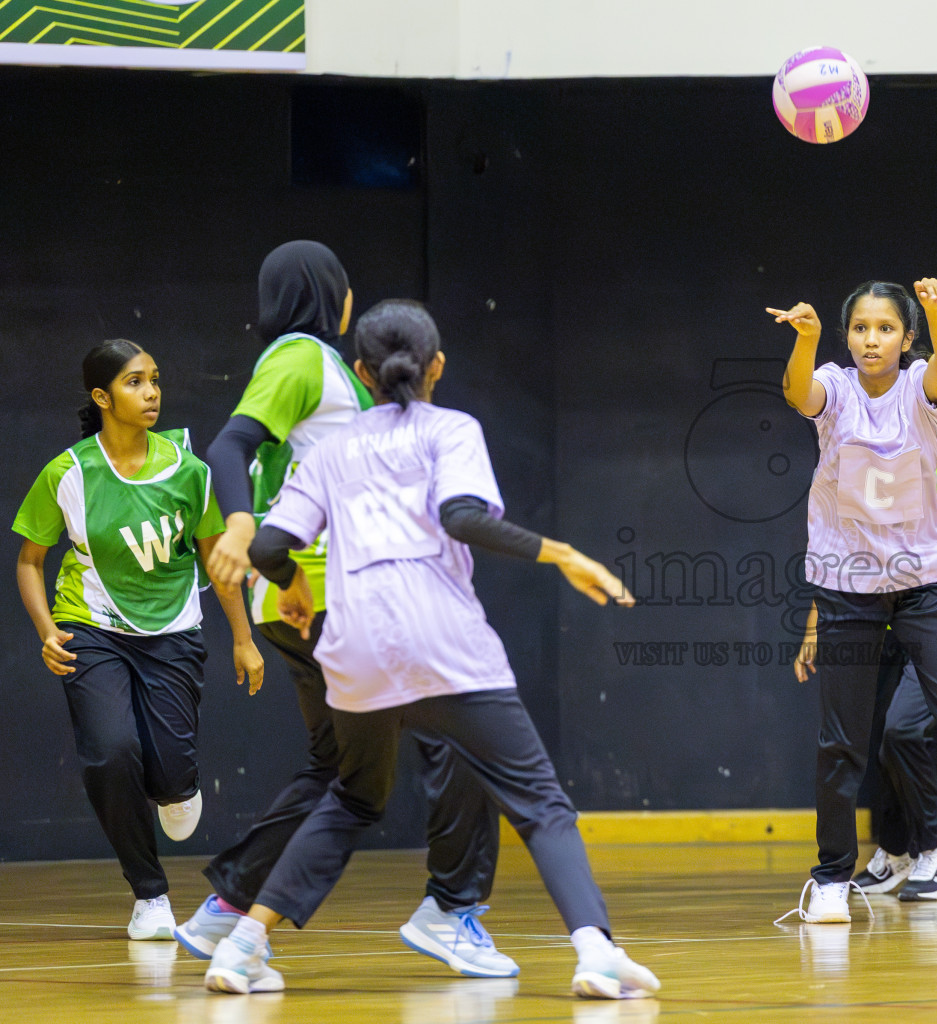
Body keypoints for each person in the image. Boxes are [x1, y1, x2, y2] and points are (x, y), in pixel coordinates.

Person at [202, 299, 660, 1001]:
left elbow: (267, 544)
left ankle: (241, 947)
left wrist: (290, 581)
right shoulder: (452, 429)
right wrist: (561, 553)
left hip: (351, 650)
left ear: (362, 372)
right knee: (540, 804)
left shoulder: (331, 448)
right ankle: (595, 954)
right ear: (438, 365)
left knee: (353, 797)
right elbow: (461, 516)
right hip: (443, 642)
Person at [174, 242, 510, 978]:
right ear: (331, 296)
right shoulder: (301, 358)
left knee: (343, 770)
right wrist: (238, 523)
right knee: (469, 736)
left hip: (295, 603)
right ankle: (452, 909)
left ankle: (229, 909)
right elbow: (230, 446)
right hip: (328, 596)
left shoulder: (339, 380)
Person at [770, 278, 937, 924]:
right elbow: (794, 392)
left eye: (885, 328)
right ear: (847, 336)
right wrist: (805, 342)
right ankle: (831, 878)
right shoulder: (833, 389)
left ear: (905, 338)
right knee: (843, 741)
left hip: (925, 585)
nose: (871, 339)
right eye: (860, 328)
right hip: (846, 589)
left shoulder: (921, 393)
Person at [13, 340, 264, 940]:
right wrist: (48, 630)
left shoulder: (189, 473)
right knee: (110, 749)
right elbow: (29, 561)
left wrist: (243, 638)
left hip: (172, 633)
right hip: (89, 627)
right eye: (134, 382)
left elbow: (214, 560)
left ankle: (176, 787)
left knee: (171, 777)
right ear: (102, 398)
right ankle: (149, 895)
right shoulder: (68, 473)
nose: (150, 392)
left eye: (154, 380)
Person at [797, 456, 937, 901]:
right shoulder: (847, 471)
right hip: (879, 615)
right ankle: (897, 850)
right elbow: (841, 560)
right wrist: (811, 631)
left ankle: (934, 853)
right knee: (874, 736)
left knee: (902, 730)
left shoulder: (929, 470)